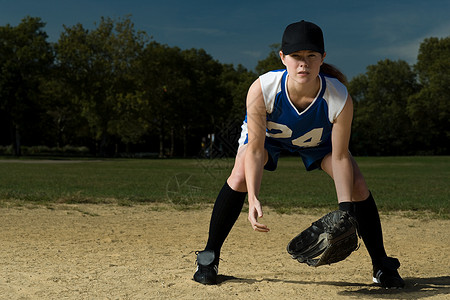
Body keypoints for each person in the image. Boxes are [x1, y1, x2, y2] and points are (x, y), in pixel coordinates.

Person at [193, 20, 405, 289]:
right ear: (283, 58)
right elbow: (256, 150)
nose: (303, 64)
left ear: (322, 58)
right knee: (239, 176)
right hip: (269, 141)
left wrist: (345, 213)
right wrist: (254, 198)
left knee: (357, 184)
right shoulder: (263, 89)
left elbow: (340, 157)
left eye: (311, 56)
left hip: (319, 143)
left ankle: (381, 266)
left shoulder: (338, 97)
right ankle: (208, 257)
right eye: (296, 57)